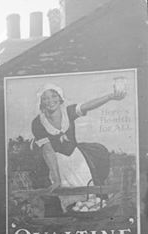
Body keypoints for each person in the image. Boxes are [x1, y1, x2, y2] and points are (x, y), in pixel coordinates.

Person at [31, 82, 126, 214]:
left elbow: (89, 105)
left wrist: (110, 96)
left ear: (60, 98)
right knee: (70, 199)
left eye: (54, 96)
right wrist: (57, 178)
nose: (50, 101)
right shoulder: (37, 123)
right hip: (59, 163)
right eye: (45, 98)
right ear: (41, 102)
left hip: (77, 158)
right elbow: (48, 151)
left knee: (90, 193)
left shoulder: (68, 112)